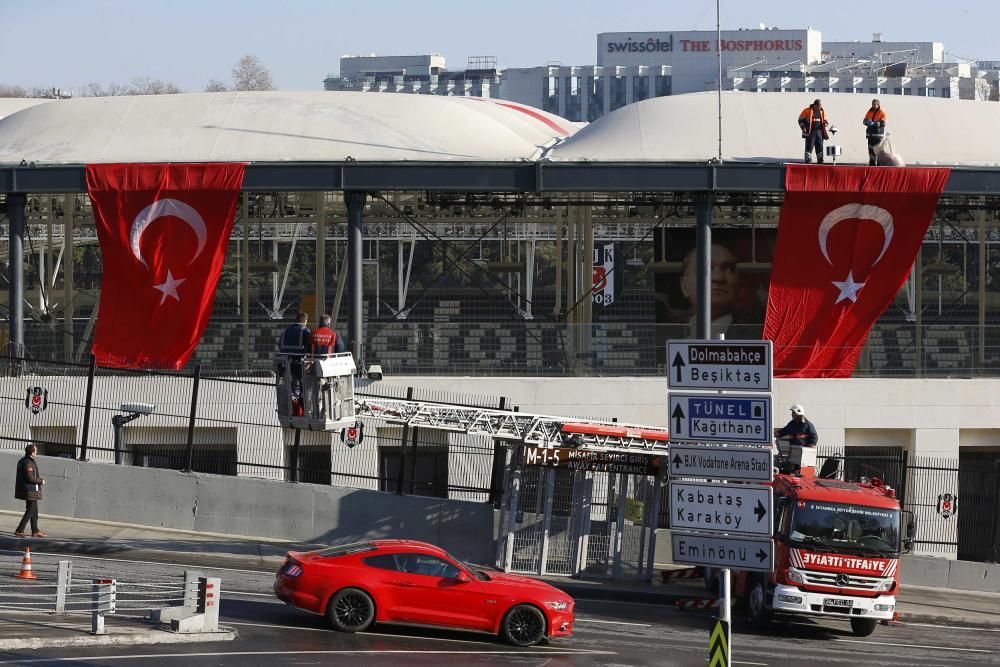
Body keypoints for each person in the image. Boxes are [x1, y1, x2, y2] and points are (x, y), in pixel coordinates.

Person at [679, 243, 763, 339]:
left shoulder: (759, 338)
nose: (718, 277)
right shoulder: (663, 338)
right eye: (704, 268)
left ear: (740, 285)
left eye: (729, 269)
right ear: (684, 286)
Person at [14, 445, 46, 538]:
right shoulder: (28, 462)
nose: (37, 452)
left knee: (34, 511)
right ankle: (19, 530)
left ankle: (35, 531)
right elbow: (30, 478)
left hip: (30, 490)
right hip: (30, 490)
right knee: (31, 510)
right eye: (36, 451)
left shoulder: (26, 460)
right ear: (32, 452)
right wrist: (41, 481)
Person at [798, 99, 829, 164]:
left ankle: (820, 160)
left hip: (819, 132)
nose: (820, 107)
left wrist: (826, 123)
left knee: (820, 146)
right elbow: (800, 120)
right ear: (815, 105)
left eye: (821, 106)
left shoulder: (821, 111)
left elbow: (825, 120)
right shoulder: (807, 110)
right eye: (819, 106)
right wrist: (803, 128)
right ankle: (808, 160)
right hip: (810, 132)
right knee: (809, 146)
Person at [863, 99, 887, 166]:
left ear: (878, 105)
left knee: (878, 153)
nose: (873, 105)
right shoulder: (869, 112)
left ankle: (879, 167)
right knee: (871, 152)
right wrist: (867, 122)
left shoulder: (882, 112)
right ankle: (872, 165)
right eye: (872, 104)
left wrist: (874, 123)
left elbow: (883, 123)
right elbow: (864, 121)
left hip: (878, 136)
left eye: (874, 104)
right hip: (870, 135)